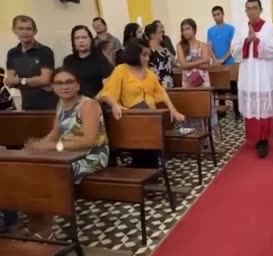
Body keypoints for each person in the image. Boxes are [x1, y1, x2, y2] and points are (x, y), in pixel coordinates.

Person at [24, 67, 109, 238]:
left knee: (53, 176)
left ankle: (47, 229)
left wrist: (53, 147)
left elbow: (89, 140)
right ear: (53, 87)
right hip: (66, 154)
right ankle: (35, 222)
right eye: (59, 83)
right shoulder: (61, 104)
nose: (65, 86)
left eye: (69, 82)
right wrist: (38, 146)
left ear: (77, 85)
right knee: (29, 171)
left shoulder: (88, 104)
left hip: (92, 155)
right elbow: (56, 132)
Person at [96, 39, 184, 168]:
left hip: (150, 118)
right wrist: (114, 104)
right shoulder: (121, 70)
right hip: (130, 119)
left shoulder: (149, 73)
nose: (147, 58)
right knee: (143, 151)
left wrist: (173, 110)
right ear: (134, 54)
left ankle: (148, 170)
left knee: (151, 150)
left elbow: (162, 93)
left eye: (149, 55)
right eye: (144, 55)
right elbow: (106, 93)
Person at [231, 0, 273, 158]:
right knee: (252, 105)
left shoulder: (269, 27)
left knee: (264, 107)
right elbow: (234, 51)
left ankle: (264, 140)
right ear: (245, 11)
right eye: (249, 9)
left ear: (260, 9)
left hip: (264, 73)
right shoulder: (241, 28)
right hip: (248, 73)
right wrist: (246, 40)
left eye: (254, 8)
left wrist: (257, 41)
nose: (251, 11)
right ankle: (254, 138)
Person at [5, 15, 57, 110]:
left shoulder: (45, 51)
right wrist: (33, 82)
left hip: (48, 104)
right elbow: (10, 81)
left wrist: (20, 81)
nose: (25, 32)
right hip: (27, 104)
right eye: (20, 28)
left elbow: (45, 80)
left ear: (35, 31)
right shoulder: (12, 53)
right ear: (14, 30)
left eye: (28, 29)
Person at [63, 25, 113, 98]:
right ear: (73, 42)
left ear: (91, 40)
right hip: (73, 101)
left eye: (84, 37)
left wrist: (94, 100)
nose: (81, 41)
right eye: (77, 38)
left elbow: (107, 87)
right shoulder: (68, 60)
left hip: (96, 100)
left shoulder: (100, 59)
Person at [207, 5, 239, 118]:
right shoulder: (210, 31)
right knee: (220, 87)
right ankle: (222, 111)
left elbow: (232, 46)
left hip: (229, 62)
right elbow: (209, 47)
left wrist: (223, 59)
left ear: (223, 14)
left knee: (233, 86)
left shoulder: (230, 28)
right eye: (214, 15)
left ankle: (237, 111)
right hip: (217, 63)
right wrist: (216, 60)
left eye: (218, 14)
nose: (216, 17)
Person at [143, 23, 175, 87]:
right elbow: (144, 66)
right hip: (156, 82)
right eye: (160, 32)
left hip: (169, 81)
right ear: (152, 35)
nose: (162, 34)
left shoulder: (164, 49)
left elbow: (173, 61)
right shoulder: (147, 49)